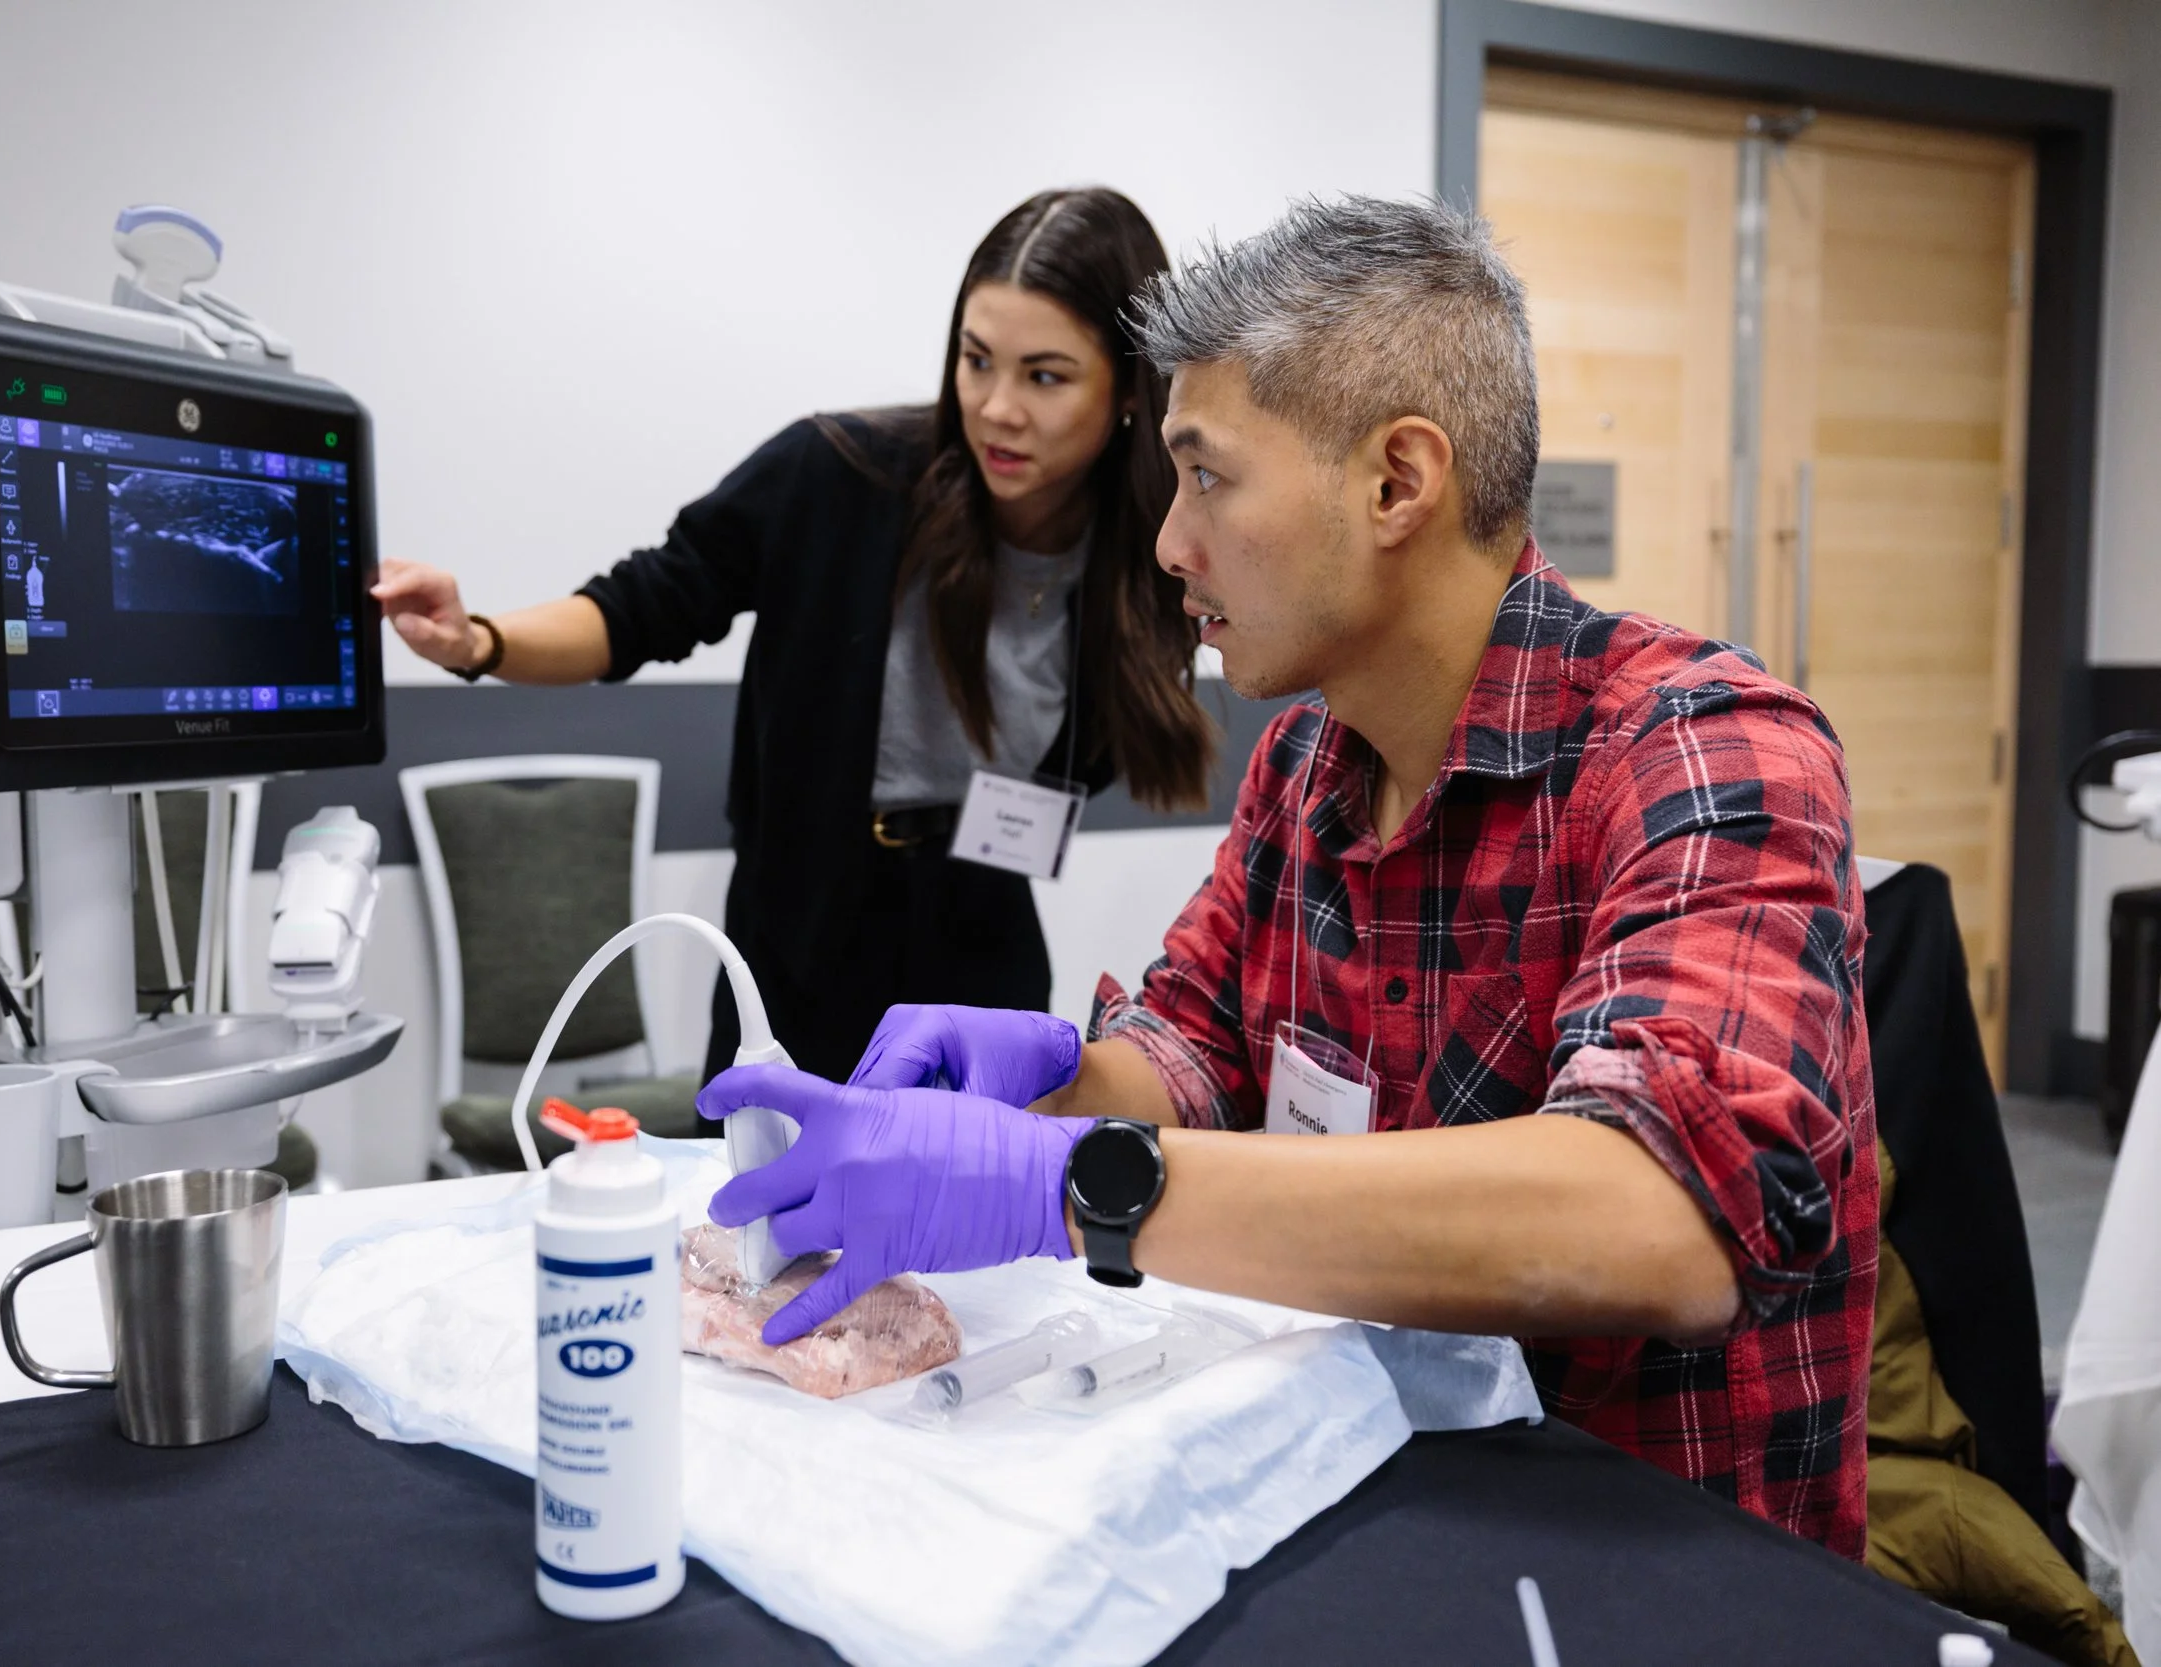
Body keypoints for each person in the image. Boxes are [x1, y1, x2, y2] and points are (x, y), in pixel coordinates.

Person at [699, 196, 1882, 1558]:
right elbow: (1194, 1051)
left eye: (1208, 476)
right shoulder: (1308, 764)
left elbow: (1660, 1218)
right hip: (1359, 1489)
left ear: (1395, 482)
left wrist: (1069, 1180)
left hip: (1640, 1559)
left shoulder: (1703, 749)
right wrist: (1039, 1092)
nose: (1168, 543)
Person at [373, 188, 1214, 1080]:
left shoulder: (1157, 549)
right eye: (976, 361)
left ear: (1129, 388)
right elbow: (642, 607)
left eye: (1045, 376)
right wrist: (478, 641)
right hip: (800, 950)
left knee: (974, 1169)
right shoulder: (837, 476)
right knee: (765, 1172)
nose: (997, 407)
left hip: (981, 951)